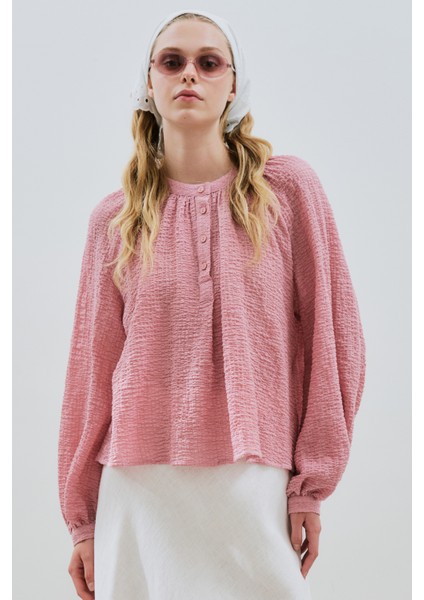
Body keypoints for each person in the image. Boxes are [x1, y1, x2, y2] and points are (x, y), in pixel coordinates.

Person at [57, 9, 366, 600]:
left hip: (254, 472)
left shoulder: (287, 192)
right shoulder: (114, 222)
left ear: (233, 84)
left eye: (208, 62)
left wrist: (311, 483)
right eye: (171, 62)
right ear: (148, 83)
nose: (189, 75)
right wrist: (83, 521)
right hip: (139, 487)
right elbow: (89, 378)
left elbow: (333, 339)